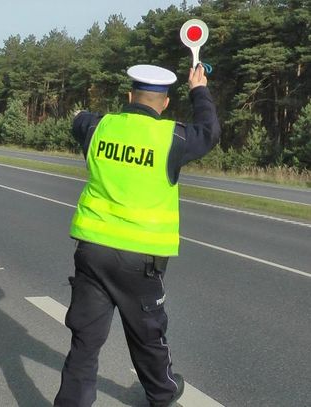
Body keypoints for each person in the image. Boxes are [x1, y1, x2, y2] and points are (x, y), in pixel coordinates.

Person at [54, 64, 221, 407]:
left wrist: (91, 111)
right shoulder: (173, 137)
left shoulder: (99, 127)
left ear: (129, 97)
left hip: (92, 250)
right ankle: (162, 395)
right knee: (148, 337)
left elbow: (79, 119)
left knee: (85, 343)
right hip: (140, 259)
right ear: (164, 104)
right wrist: (199, 89)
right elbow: (210, 131)